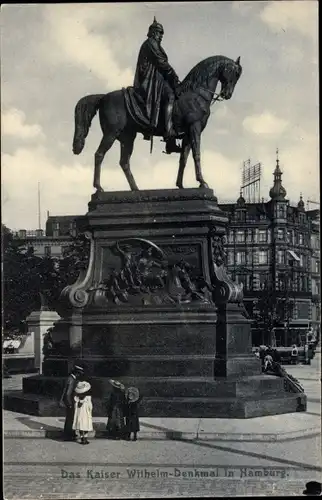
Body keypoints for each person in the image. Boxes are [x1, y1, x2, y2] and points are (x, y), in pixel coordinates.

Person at [134, 17, 182, 154]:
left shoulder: (154, 44)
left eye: (162, 34)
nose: (161, 36)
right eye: (160, 33)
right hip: (150, 80)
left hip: (156, 78)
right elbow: (161, 62)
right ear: (154, 32)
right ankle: (169, 136)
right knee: (170, 96)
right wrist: (173, 74)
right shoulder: (151, 43)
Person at [60, 364, 84, 441]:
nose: (79, 375)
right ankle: (69, 435)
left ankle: (69, 434)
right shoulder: (72, 380)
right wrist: (70, 403)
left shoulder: (69, 378)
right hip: (70, 402)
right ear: (76, 373)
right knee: (70, 419)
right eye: (79, 373)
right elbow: (68, 393)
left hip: (68, 401)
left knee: (69, 419)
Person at [72, 381, 93, 445]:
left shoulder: (76, 398)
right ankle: (85, 438)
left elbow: (76, 406)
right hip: (86, 413)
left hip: (80, 413)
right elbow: (90, 406)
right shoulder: (88, 398)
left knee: (80, 425)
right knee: (86, 425)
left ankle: (82, 438)